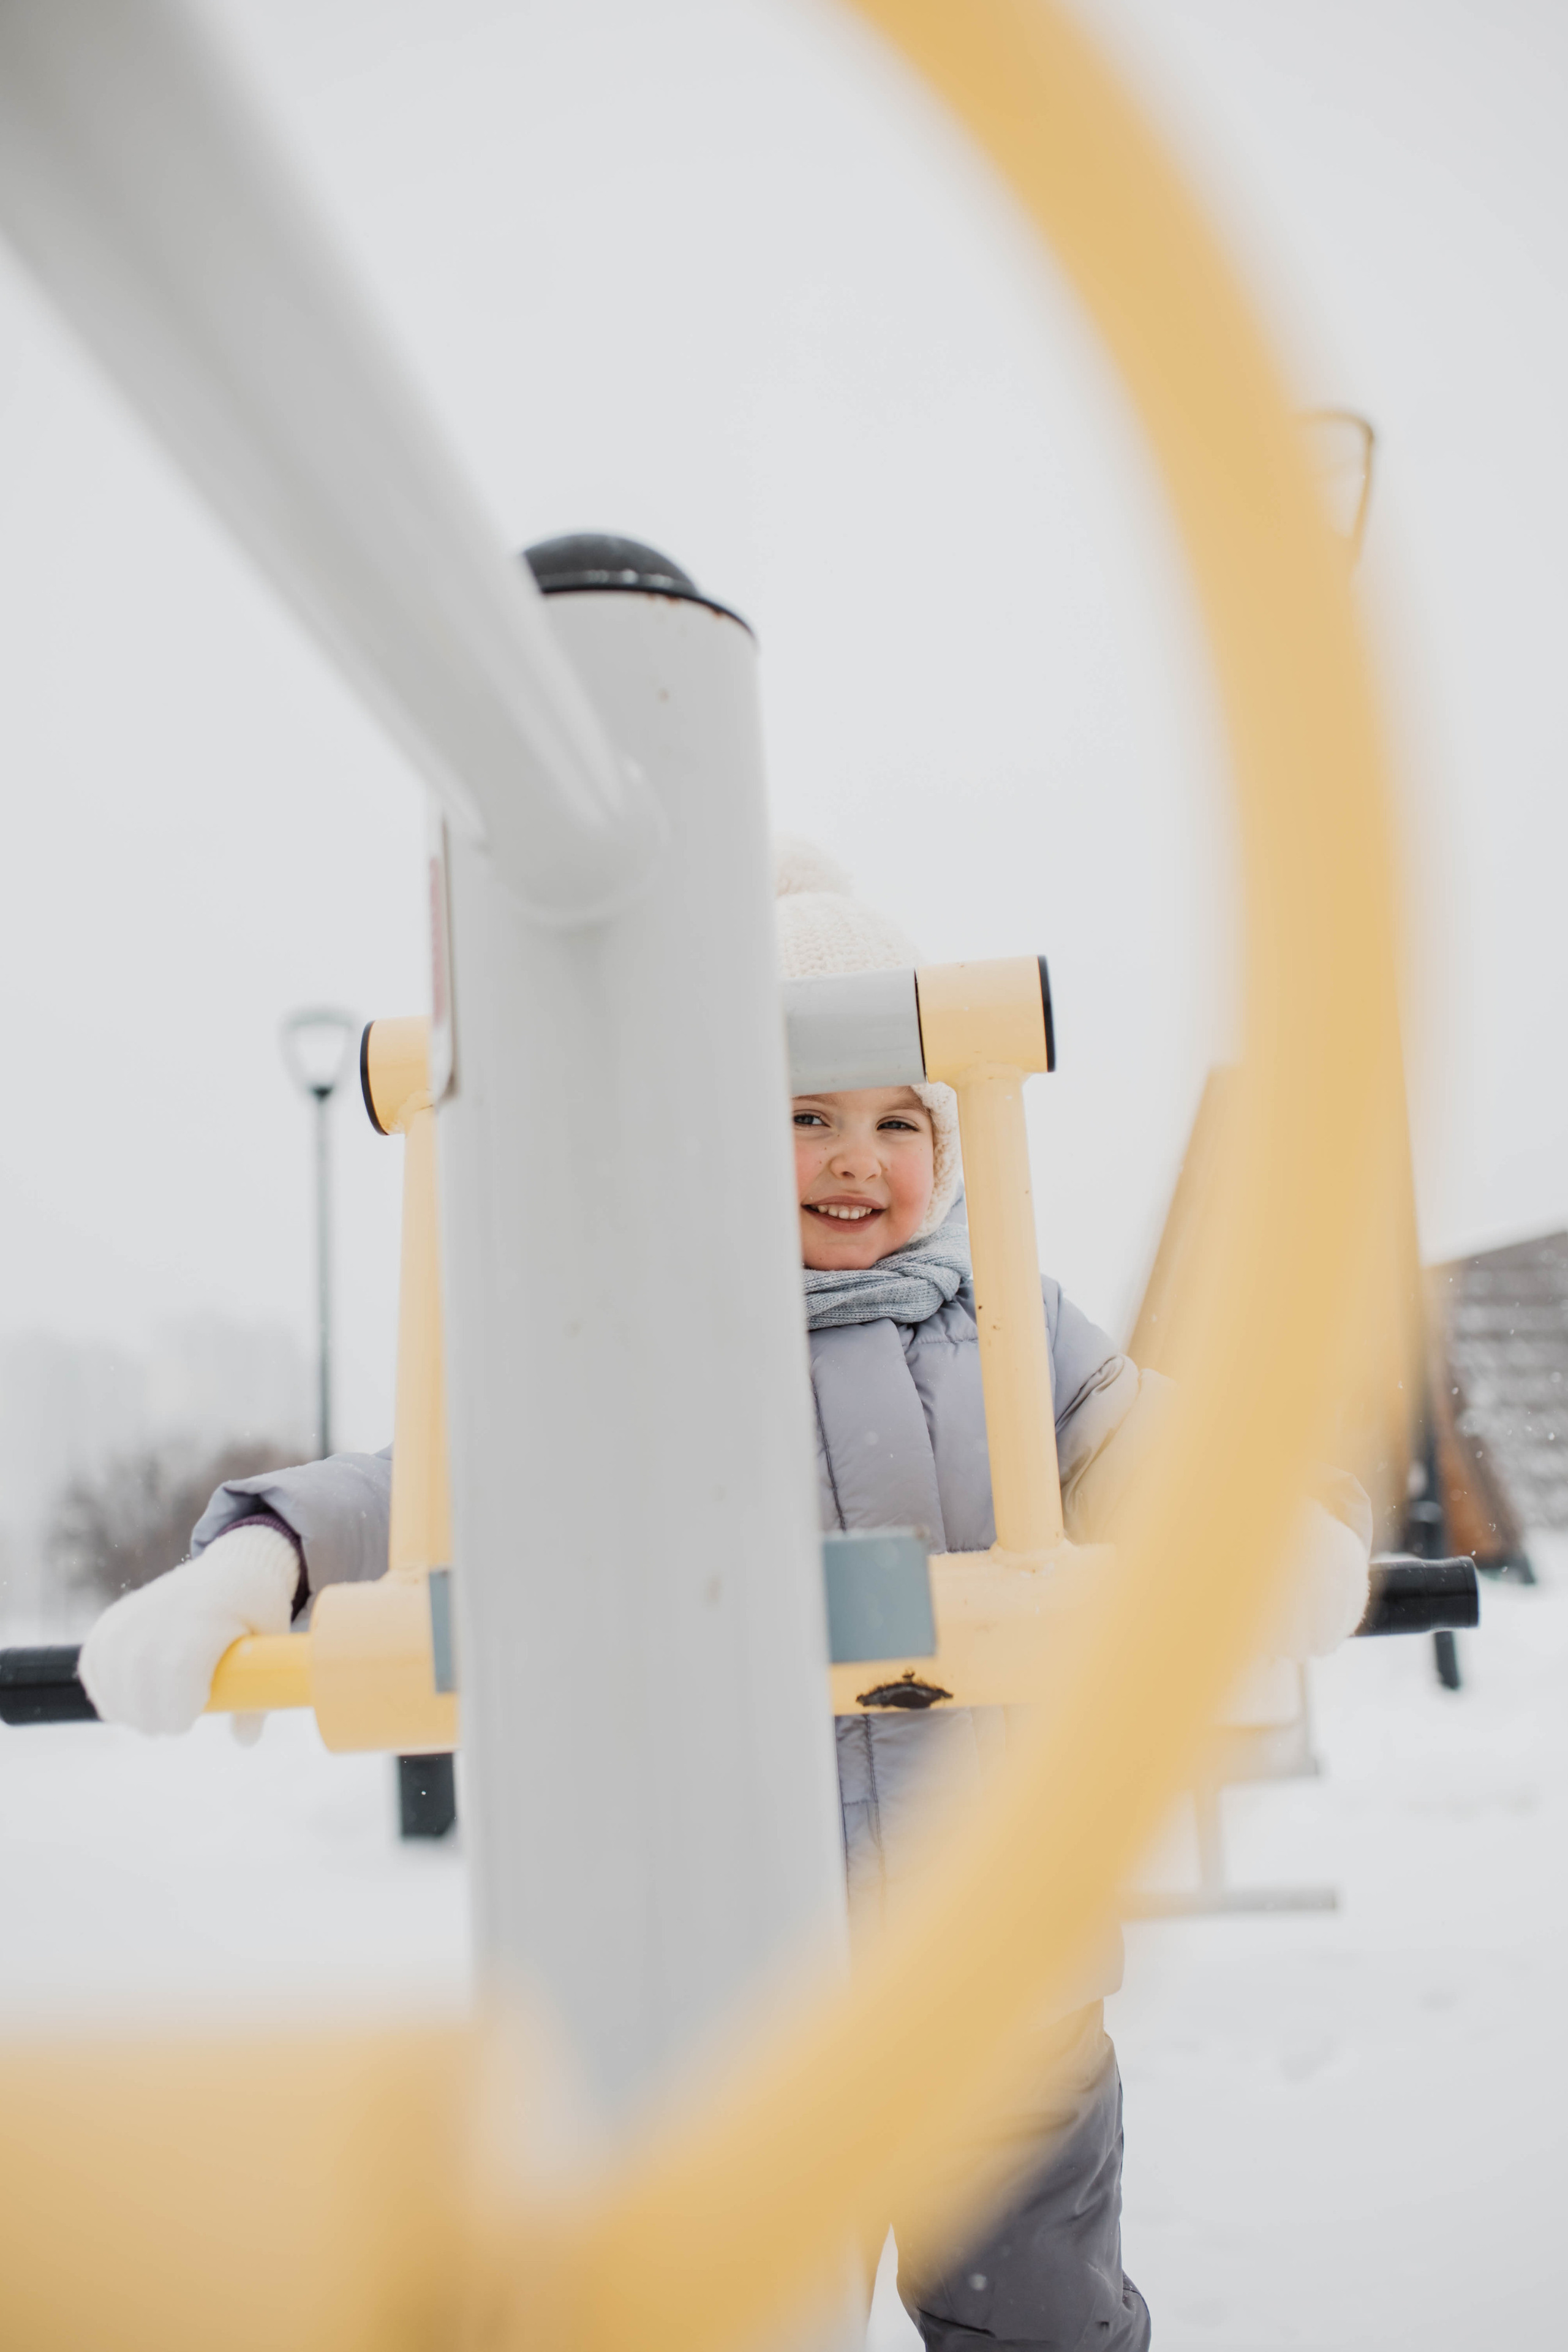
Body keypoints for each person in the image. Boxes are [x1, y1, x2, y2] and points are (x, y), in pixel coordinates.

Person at [80, 839, 1372, 2351]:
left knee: (1041, 2317)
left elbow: (1141, 1445)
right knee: (740, 2309)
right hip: (747, 1995)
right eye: (806, 1114)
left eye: (900, 1118)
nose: (855, 1156)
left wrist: (1270, 1531)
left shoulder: (1006, 1319)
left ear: (950, 1151)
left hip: (998, 1967)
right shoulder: (645, 1355)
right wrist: (263, 1555)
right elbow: (441, 1484)